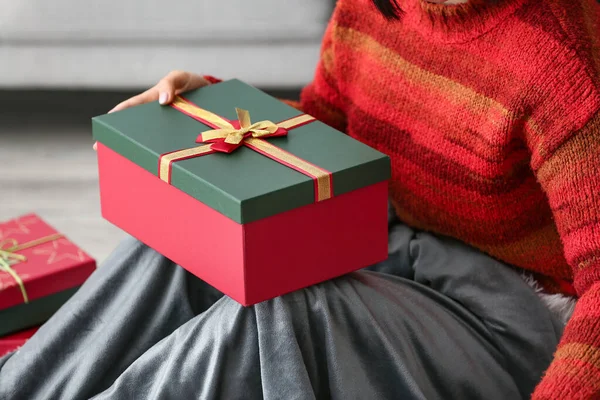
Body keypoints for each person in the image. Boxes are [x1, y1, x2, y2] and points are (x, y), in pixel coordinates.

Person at [2, 0, 599, 398]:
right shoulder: (370, 8)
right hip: (386, 246)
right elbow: (329, 131)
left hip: (510, 314)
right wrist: (215, 114)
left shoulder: (557, 55)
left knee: (287, 308)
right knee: (191, 240)